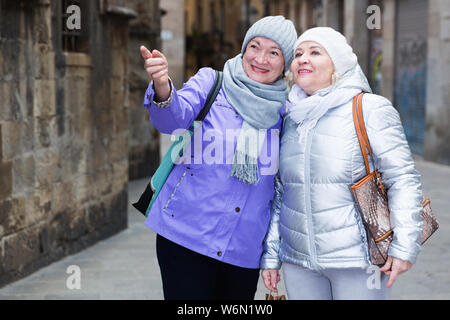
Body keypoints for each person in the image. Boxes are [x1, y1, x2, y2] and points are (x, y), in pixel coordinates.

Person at [139, 16, 297, 300]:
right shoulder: (211, 82)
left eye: (274, 52)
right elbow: (172, 119)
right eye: (255, 46)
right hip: (185, 234)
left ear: (285, 63)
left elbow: (284, 188)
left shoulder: (288, 112)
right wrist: (162, 85)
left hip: (243, 248)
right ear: (244, 48)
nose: (260, 58)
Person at [260, 27, 424, 300]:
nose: (303, 58)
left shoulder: (369, 108)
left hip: (358, 262)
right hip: (299, 261)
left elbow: (403, 178)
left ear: (337, 63)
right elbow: (280, 193)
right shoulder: (290, 117)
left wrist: (405, 246)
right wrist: (272, 255)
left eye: (315, 52)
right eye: (298, 53)